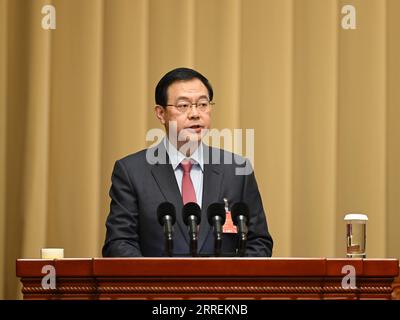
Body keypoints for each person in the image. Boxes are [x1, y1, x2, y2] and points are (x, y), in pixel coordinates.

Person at [102, 67, 273, 257]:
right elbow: (119, 243)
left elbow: (259, 242)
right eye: (183, 106)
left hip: (223, 286)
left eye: (202, 104)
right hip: (158, 285)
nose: (195, 114)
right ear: (160, 114)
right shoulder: (132, 172)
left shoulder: (237, 170)